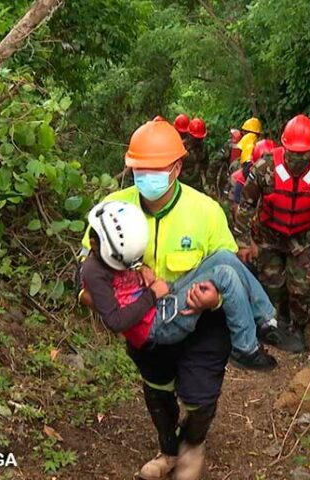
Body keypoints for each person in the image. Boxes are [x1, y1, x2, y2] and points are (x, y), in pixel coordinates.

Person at [78, 119, 250, 480]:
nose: (147, 177)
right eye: (140, 170)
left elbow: (230, 268)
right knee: (157, 389)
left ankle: (193, 445)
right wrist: (93, 294)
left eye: (156, 169)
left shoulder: (205, 212)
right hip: (147, 324)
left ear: (177, 168)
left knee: (199, 395)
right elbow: (90, 260)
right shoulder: (112, 208)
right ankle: (167, 452)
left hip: (201, 318)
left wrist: (213, 298)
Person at [81, 200, 277, 370]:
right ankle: (246, 349)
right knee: (225, 275)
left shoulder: (111, 251)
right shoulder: (94, 272)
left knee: (223, 257)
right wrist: (152, 295)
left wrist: (141, 268)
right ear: (94, 244)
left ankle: (266, 320)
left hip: (160, 297)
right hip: (156, 323)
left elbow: (126, 274)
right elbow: (116, 322)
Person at [234, 114, 310, 353]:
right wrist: (243, 241)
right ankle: (280, 316)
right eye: (294, 152)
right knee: (272, 286)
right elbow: (245, 204)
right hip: (269, 236)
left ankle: (298, 327)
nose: (299, 157)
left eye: (304, 152)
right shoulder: (265, 168)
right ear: (284, 147)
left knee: (302, 289)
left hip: (303, 239)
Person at [180, 117, 209, 192]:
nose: (198, 141)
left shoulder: (203, 147)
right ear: (189, 135)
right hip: (182, 185)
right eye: (196, 138)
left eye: (200, 138)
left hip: (197, 186)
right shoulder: (181, 147)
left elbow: (206, 165)